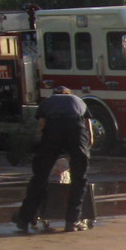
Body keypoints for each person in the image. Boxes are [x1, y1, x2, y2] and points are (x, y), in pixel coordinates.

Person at [13, 85, 93, 233]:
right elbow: (88, 129)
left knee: (40, 177)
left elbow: (42, 125)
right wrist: (82, 150)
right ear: (68, 93)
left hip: (53, 129)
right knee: (79, 178)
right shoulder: (78, 100)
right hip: (76, 130)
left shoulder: (48, 101)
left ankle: (24, 219)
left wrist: (47, 150)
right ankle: (72, 221)